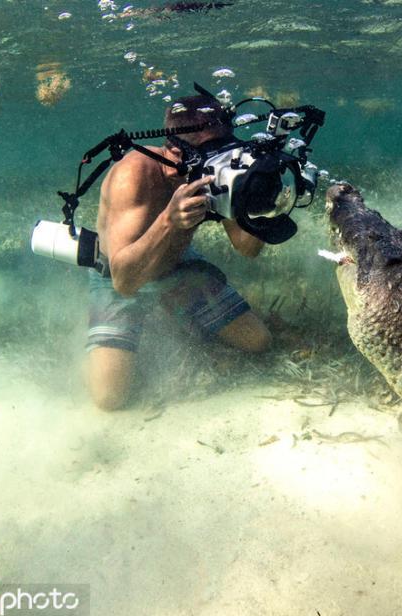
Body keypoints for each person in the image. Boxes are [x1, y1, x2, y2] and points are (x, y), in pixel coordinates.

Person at [87, 94, 271, 410]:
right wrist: (169, 221)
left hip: (178, 265)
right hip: (118, 271)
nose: (219, 159)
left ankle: (174, 302)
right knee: (109, 398)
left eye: (223, 148)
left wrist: (263, 203)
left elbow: (247, 247)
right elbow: (124, 281)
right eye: (208, 151)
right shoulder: (133, 174)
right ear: (175, 151)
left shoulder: (218, 169)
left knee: (259, 341)